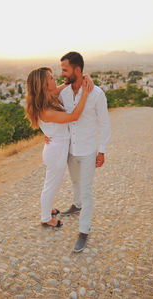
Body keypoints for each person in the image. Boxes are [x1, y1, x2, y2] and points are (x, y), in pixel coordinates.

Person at [47, 52, 111, 252]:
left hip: (88, 150)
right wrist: (46, 132)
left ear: (77, 70)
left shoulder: (97, 94)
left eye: (65, 70)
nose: (62, 74)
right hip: (70, 149)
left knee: (87, 189)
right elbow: (46, 107)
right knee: (75, 182)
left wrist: (102, 151)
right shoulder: (64, 92)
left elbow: (105, 125)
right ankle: (76, 204)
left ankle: (83, 231)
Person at [25, 67, 92, 228]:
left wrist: (81, 78)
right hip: (56, 152)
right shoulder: (46, 110)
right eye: (50, 78)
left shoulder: (48, 97)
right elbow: (74, 116)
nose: (54, 79)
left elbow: (63, 85)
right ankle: (46, 217)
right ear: (43, 85)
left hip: (56, 148)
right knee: (51, 186)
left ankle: (48, 210)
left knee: (51, 184)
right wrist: (85, 94)